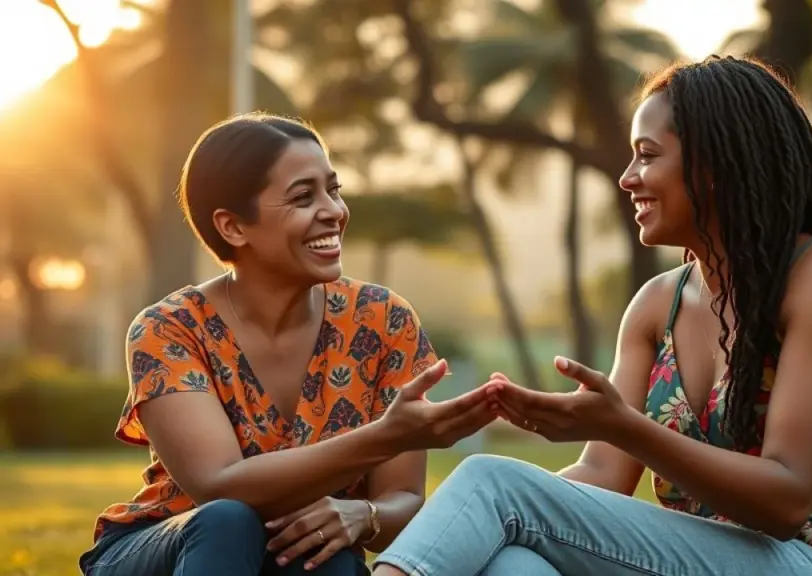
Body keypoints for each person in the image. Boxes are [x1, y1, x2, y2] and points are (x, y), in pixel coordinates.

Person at [370, 56, 812, 576]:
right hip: (696, 560)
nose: (627, 177)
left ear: (715, 163)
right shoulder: (659, 303)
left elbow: (785, 500)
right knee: (514, 562)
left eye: (648, 155)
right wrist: (495, 517)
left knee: (492, 480)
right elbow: (603, 475)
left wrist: (620, 428)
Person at [78, 113, 499, 576]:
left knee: (330, 557)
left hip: (295, 552)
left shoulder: (382, 321)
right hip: (168, 545)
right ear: (234, 227)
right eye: (303, 197)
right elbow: (218, 488)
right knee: (228, 520)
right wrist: (387, 435)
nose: (334, 211)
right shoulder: (170, 329)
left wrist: (366, 515)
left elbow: (401, 499)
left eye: (333, 190)